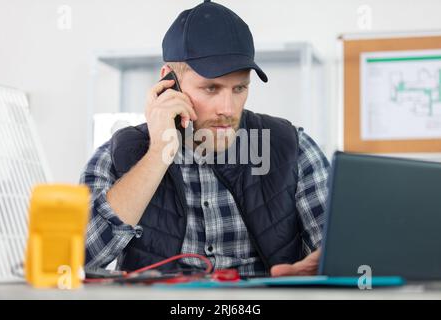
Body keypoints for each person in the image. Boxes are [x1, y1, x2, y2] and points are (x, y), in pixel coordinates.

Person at [80, 0, 330, 278]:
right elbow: (79, 259)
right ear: (169, 83)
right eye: (211, 88)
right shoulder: (117, 153)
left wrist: (328, 264)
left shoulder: (293, 148)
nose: (228, 108)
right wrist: (159, 153)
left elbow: (350, 253)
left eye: (239, 88)